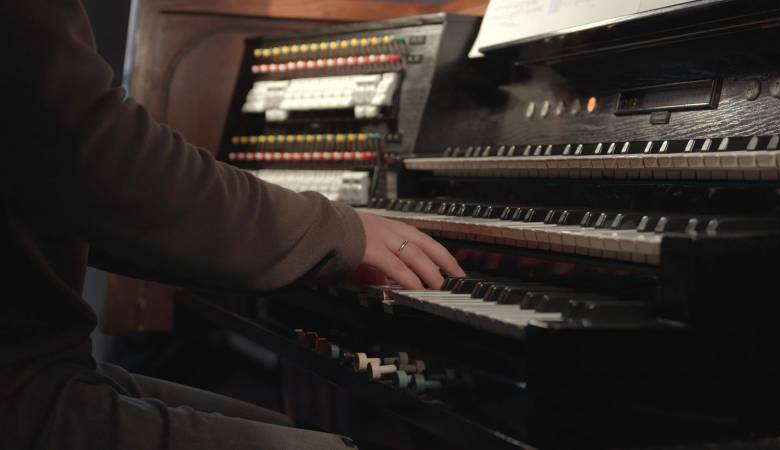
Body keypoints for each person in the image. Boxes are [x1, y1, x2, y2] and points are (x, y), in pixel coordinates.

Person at [0, 0, 466, 449]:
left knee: (299, 429)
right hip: (23, 401)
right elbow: (96, 159)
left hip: (40, 374)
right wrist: (337, 233)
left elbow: (65, 171)